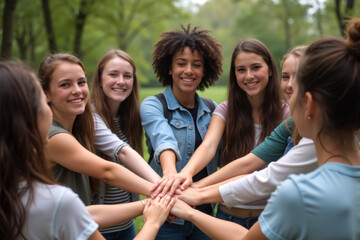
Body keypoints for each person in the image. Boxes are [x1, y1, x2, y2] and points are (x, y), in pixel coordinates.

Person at [171, 18, 360, 239]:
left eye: (294, 90)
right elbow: (252, 160)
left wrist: (192, 210)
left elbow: (263, 184)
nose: (288, 93)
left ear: (309, 104)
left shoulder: (298, 195)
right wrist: (194, 189)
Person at [154, 38, 290, 229]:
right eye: (241, 70)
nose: (249, 76)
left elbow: (255, 166)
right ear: (234, 75)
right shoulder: (225, 111)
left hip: (271, 219)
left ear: (269, 69)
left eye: (256, 67)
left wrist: (196, 190)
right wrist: (186, 174)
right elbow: (208, 146)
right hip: (229, 217)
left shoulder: (287, 114)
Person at [0, 61, 102, 239]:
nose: (77, 90)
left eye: (82, 82)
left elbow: (79, 215)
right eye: (44, 103)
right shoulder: (54, 200)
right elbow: (70, 210)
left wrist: (146, 204)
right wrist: (153, 220)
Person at [38, 53, 155, 207]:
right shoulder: (53, 136)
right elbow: (108, 171)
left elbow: (85, 213)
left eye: (81, 82)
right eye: (65, 84)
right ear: (45, 93)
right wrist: (163, 193)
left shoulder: (81, 126)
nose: (77, 90)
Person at [140, 24, 223, 239]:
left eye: (196, 65)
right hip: (167, 216)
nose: (189, 71)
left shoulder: (213, 109)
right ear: (169, 68)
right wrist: (171, 175)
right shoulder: (153, 105)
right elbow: (163, 139)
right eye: (181, 63)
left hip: (204, 215)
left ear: (205, 70)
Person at [90, 49, 161, 239]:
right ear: (100, 79)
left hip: (127, 224)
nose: (121, 81)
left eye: (127, 76)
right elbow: (122, 152)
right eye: (113, 74)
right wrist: (161, 189)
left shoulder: (130, 118)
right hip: (98, 227)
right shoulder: (89, 117)